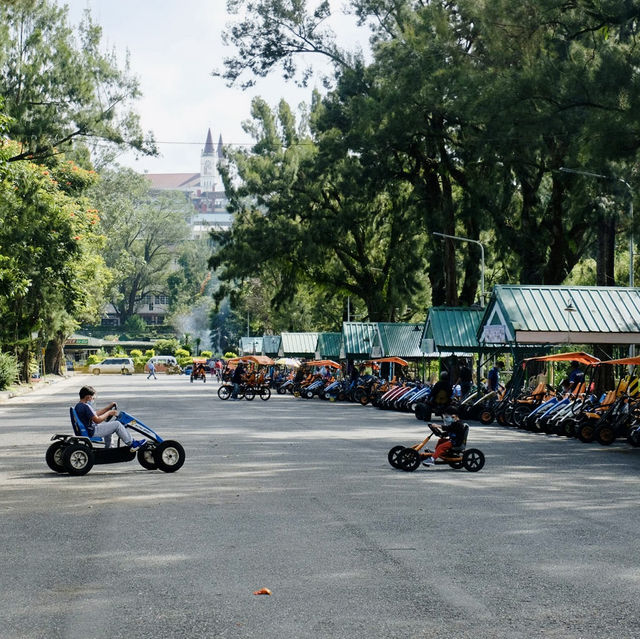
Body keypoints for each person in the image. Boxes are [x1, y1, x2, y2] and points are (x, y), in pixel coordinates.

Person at [74, 385, 145, 449]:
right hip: (92, 431)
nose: (93, 400)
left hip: (89, 429)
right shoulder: (86, 407)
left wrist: (109, 407)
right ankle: (132, 443)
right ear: (88, 397)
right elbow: (97, 420)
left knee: (110, 427)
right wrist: (109, 413)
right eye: (93, 398)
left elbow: (95, 414)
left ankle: (109, 448)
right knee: (117, 424)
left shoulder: (79, 406)